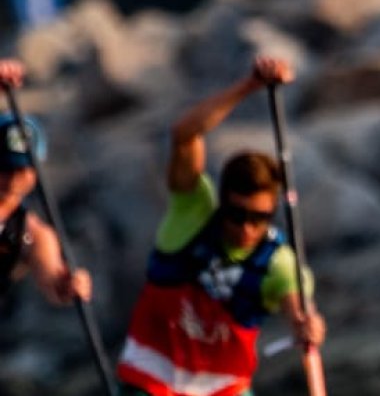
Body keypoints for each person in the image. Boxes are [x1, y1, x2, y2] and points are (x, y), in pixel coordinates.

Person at [116, 55, 326, 396]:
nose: (247, 229)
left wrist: (309, 328)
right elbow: (184, 135)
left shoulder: (278, 261)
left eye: (260, 218)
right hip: (152, 385)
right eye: (238, 215)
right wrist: (249, 86)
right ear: (222, 202)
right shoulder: (192, 213)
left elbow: (301, 314)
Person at [0, 59, 93, 306]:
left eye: (22, 168)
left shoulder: (33, 234)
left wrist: (68, 286)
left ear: (36, 171)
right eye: (5, 167)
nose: (14, 177)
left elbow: (54, 283)